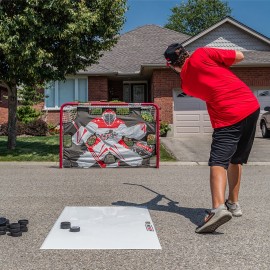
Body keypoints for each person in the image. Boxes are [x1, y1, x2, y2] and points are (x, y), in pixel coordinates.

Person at [164, 43, 260, 233]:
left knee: (218, 161)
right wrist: (218, 64)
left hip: (227, 116)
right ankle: (233, 203)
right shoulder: (202, 53)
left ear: (172, 66)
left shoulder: (186, 84)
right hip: (250, 106)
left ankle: (218, 209)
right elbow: (240, 55)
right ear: (186, 52)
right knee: (236, 159)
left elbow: (202, 79)